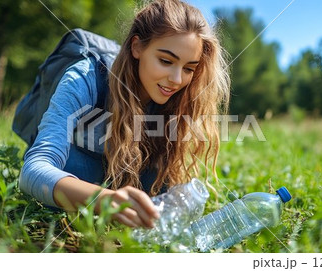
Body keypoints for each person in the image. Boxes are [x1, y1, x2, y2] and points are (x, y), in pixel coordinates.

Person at [19, 0, 230, 229]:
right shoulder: (84, 79)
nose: (177, 80)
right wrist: (106, 201)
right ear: (136, 47)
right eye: (166, 61)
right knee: (78, 170)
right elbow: (33, 171)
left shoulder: (176, 100)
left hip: (124, 176)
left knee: (161, 189)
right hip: (79, 175)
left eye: (189, 68)